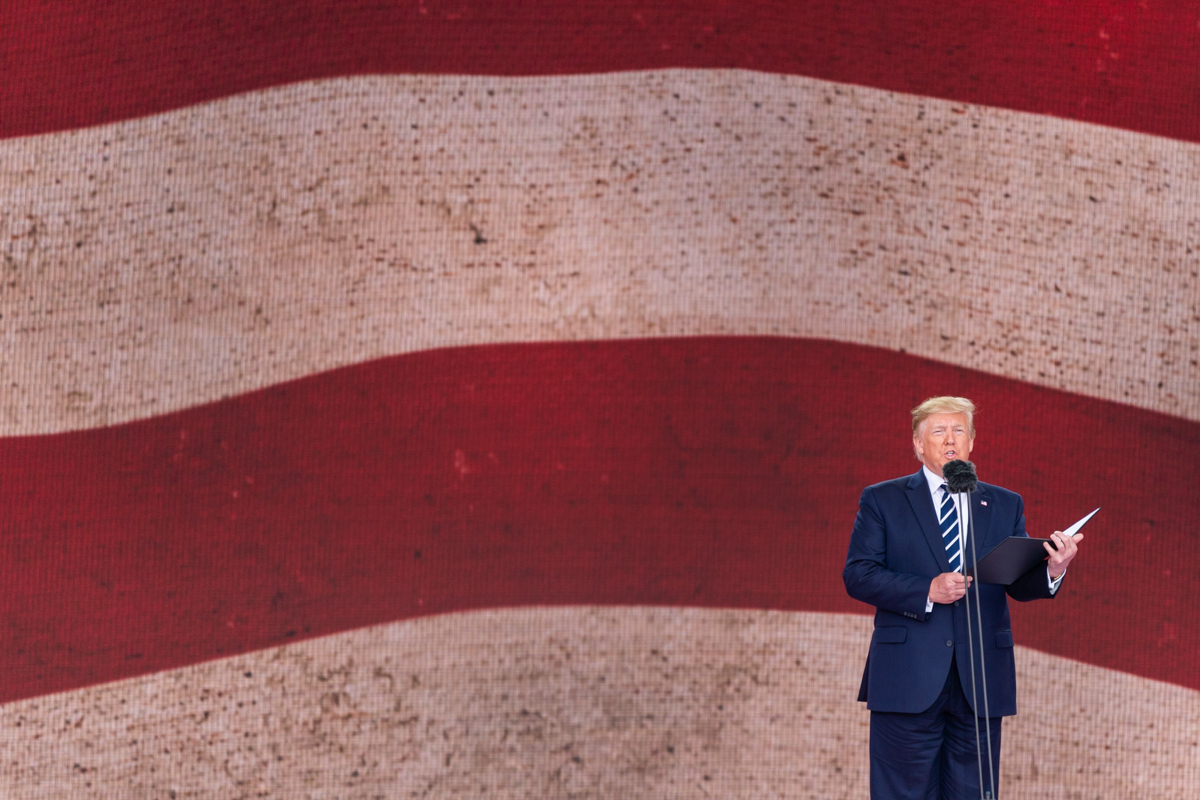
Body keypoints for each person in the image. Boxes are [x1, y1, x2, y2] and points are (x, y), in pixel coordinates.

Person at [843, 396, 1081, 799]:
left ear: (971, 441)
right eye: (939, 431)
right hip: (907, 676)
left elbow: (1015, 581)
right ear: (918, 443)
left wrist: (1053, 570)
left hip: (981, 680)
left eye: (959, 430)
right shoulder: (883, 499)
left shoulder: (1005, 503)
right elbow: (858, 575)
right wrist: (927, 590)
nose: (950, 439)